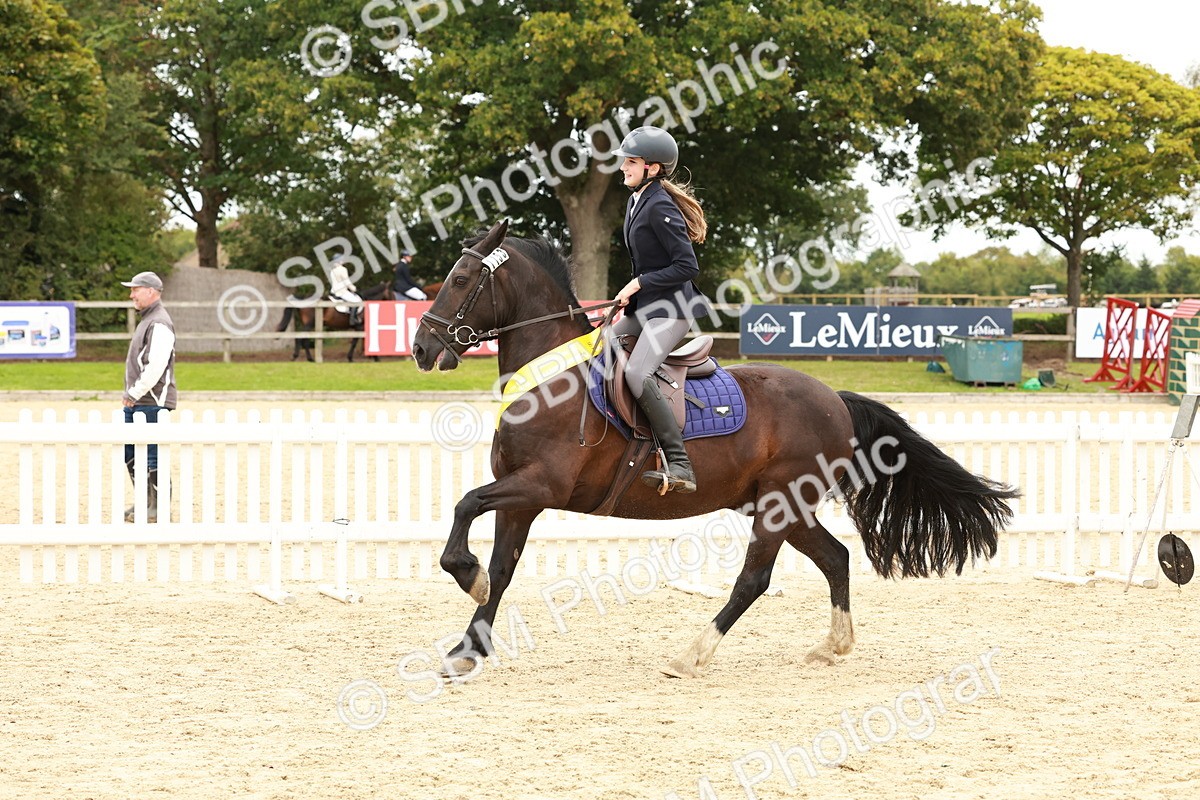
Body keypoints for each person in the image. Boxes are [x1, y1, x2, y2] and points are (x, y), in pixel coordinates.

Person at [609, 125, 711, 494]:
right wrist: (632, 297)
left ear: (652, 168)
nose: (623, 167)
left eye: (631, 162)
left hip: (672, 311)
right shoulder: (636, 200)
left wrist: (638, 284)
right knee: (600, 346)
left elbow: (687, 267)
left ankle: (680, 463)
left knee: (637, 373)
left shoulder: (660, 204)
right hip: (646, 308)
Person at [121, 270, 177, 522]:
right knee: (132, 452)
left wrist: (134, 392)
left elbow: (155, 366)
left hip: (152, 401)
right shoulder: (148, 320)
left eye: (136, 289)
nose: (131, 294)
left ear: (151, 291)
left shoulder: (158, 323)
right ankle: (145, 502)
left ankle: (158, 507)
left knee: (152, 453)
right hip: (141, 399)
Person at [328, 255, 363, 327]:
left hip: (333, 291)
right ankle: (353, 319)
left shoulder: (332, 270)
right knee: (357, 301)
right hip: (342, 292)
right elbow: (347, 282)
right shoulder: (343, 269)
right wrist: (354, 288)